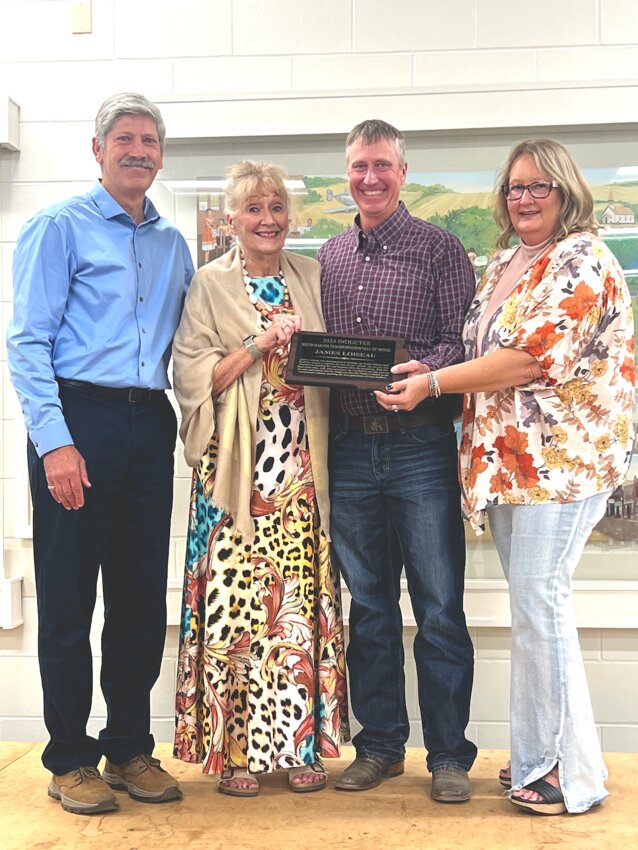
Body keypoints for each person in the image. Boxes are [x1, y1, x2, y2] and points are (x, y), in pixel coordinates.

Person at [375, 138, 635, 815]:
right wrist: (415, 367)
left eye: (538, 186)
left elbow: (525, 361)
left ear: (566, 191)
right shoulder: (507, 263)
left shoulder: (583, 260)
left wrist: (430, 383)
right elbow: (472, 348)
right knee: (537, 608)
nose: (524, 197)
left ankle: (561, 774)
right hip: (510, 467)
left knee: (540, 604)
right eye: (516, 186)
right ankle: (544, 760)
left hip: (564, 465)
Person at [6, 93, 194, 816]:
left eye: (149, 140)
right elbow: (27, 345)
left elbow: (191, 343)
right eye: (125, 139)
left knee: (141, 600)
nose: (138, 150)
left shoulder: (172, 246)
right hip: (76, 419)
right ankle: (68, 758)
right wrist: (54, 441)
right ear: (98, 150)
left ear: (160, 154)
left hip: (149, 423)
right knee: (67, 599)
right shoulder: (60, 228)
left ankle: (128, 748)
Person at [171, 160, 349, 797]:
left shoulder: (313, 275)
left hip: (301, 472)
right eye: (254, 209)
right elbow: (195, 378)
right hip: (235, 474)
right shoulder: (209, 283)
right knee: (237, 614)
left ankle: (300, 747)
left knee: (296, 614)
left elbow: (336, 358)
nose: (268, 220)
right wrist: (259, 343)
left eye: (276, 208)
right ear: (232, 219)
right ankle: (236, 754)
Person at [318, 119, 477, 801]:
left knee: (439, 608)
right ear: (345, 174)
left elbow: (462, 345)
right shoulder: (327, 256)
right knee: (371, 609)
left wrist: (421, 372)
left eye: (382, 165)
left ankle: (447, 755)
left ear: (403, 172)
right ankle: (380, 745)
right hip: (349, 450)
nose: (370, 178)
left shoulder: (441, 250)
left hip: (420, 450)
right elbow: (319, 355)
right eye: (358, 166)